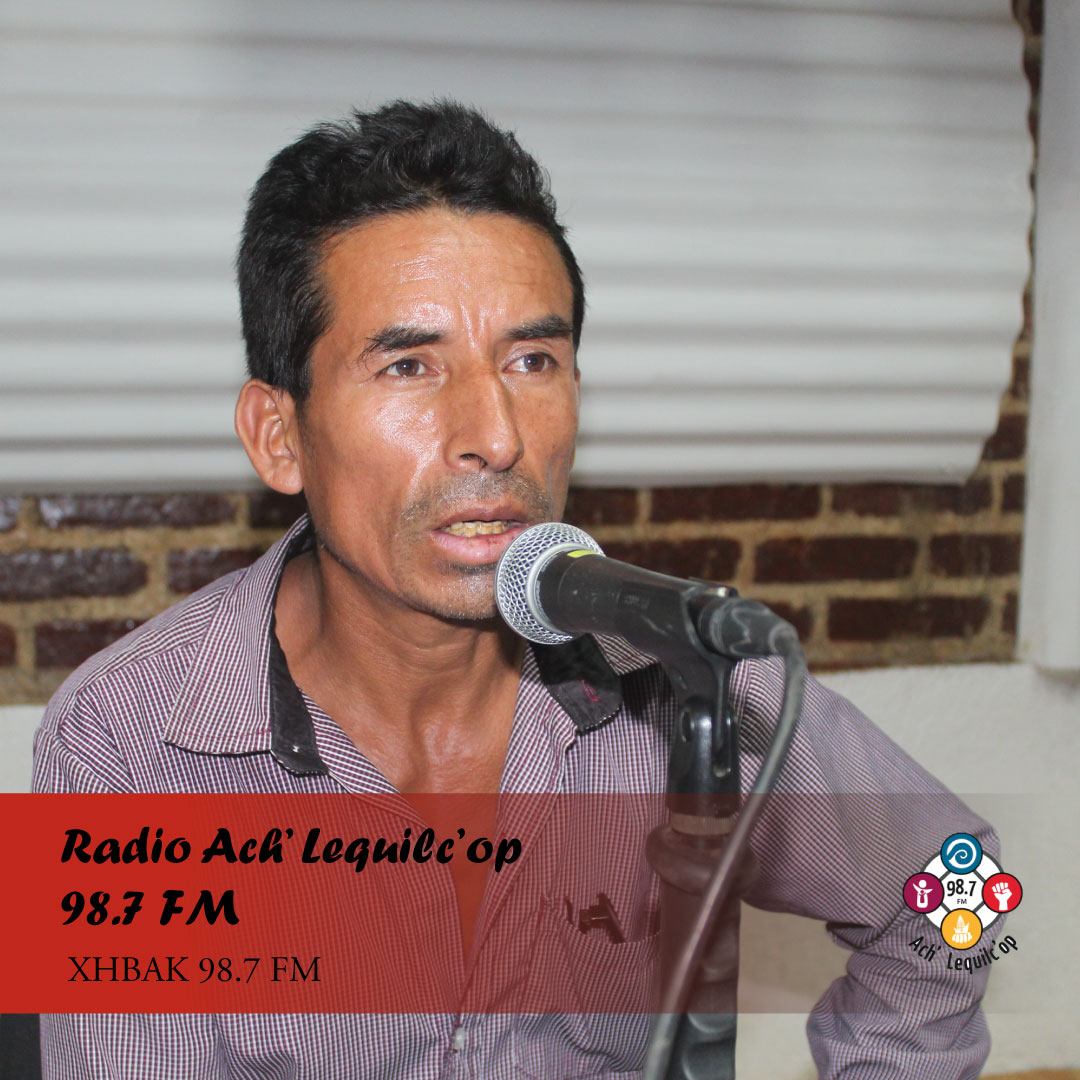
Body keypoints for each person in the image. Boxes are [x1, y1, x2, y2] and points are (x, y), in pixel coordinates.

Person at [34, 99, 998, 1079]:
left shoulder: (682, 672)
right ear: (279, 437)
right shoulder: (128, 744)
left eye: (532, 360)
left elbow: (964, 891)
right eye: (410, 365)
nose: (496, 435)